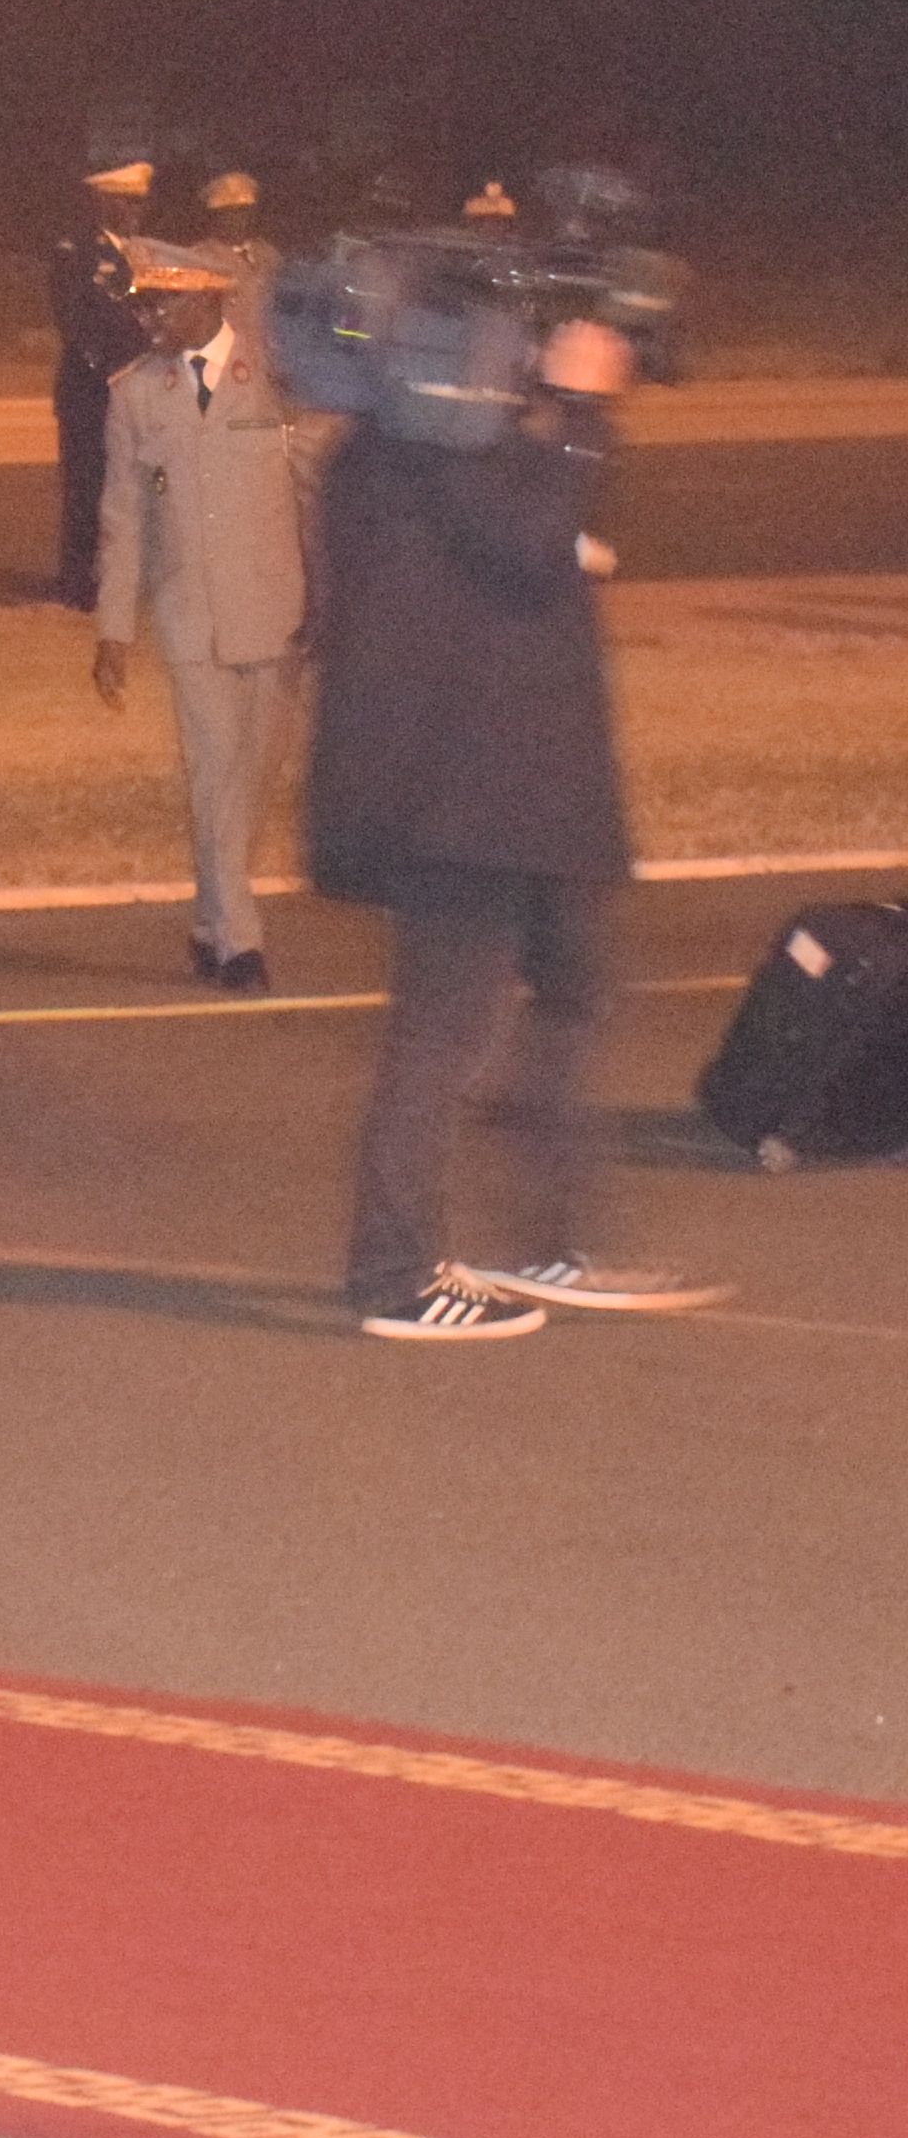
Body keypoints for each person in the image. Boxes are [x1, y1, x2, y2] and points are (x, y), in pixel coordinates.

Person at [306, 278, 719, 1345]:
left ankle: (555, 1239)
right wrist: (577, 412)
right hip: (464, 799)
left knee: (573, 993)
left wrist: (560, 429)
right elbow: (533, 539)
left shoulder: (406, 456)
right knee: (441, 1032)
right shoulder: (439, 460)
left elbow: (541, 541)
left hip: (521, 793)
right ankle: (395, 1271)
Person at [91, 242, 319, 991]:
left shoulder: (274, 383)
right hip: (189, 612)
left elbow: (314, 495)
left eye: (162, 303)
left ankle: (207, 917)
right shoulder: (134, 394)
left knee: (250, 776)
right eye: (145, 304)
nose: (148, 317)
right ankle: (239, 940)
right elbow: (122, 518)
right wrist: (114, 629)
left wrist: (325, 597)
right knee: (214, 769)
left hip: (271, 606)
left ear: (208, 302)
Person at [44, 165, 162, 609]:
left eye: (139, 202)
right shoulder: (75, 251)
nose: (135, 211)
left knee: (136, 484)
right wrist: (108, 367)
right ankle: (78, 580)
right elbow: (72, 318)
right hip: (90, 388)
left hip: (140, 385)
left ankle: (126, 573)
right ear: (104, 202)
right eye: (126, 201)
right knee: (87, 486)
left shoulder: (145, 253)